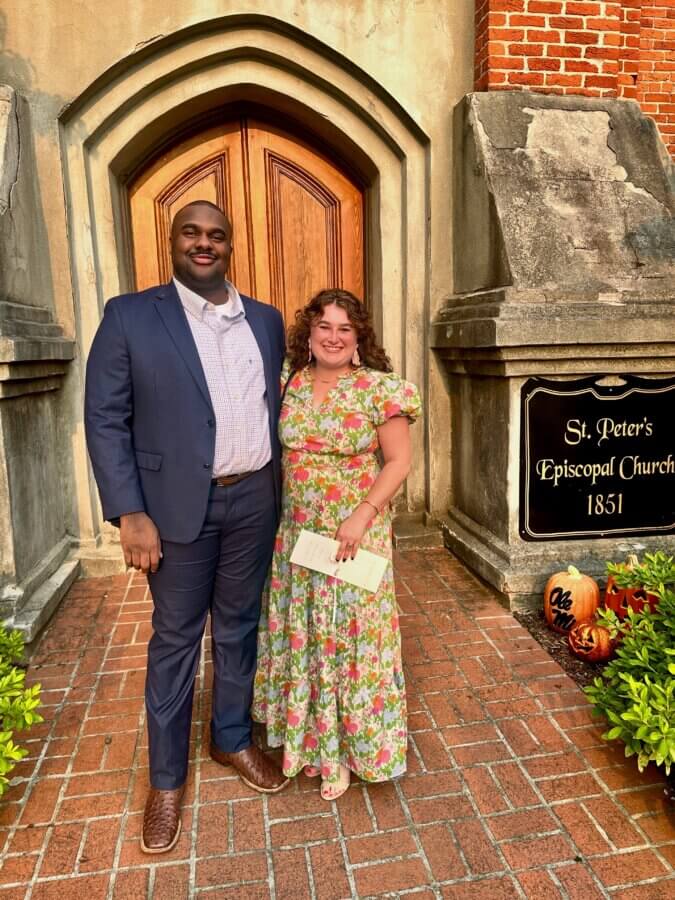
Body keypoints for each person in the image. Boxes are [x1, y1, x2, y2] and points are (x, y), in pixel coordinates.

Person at [84, 200, 289, 855]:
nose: (204, 245)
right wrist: (130, 512)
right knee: (174, 639)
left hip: (254, 499)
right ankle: (166, 780)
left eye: (216, 236)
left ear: (230, 246)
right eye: (191, 234)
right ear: (172, 242)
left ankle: (229, 737)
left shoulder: (264, 320)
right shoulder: (129, 317)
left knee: (239, 626)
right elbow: (105, 419)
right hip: (173, 512)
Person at [253, 288, 421, 800]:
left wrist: (362, 514)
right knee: (305, 634)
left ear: (358, 338)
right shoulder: (291, 382)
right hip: (298, 538)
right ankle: (310, 740)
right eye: (324, 326)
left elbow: (398, 462)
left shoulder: (378, 389)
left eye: (344, 329)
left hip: (353, 534)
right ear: (309, 333)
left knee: (350, 641)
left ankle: (349, 751)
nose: (333, 336)